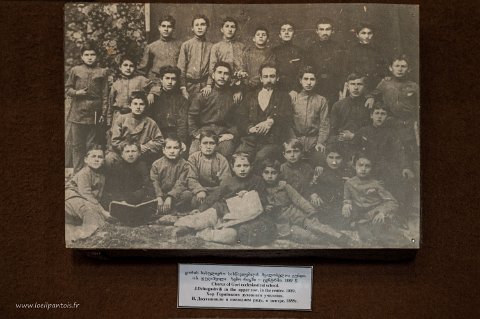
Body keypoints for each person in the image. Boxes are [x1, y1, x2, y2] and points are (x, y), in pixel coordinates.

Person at [174, 152, 267, 244]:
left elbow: (262, 201)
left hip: (239, 219)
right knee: (203, 219)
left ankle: (202, 233)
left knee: (231, 237)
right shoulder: (229, 181)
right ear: (233, 168)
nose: (242, 169)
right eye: (238, 166)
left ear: (251, 166)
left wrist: (249, 195)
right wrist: (201, 209)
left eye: (245, 165)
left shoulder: (258, 181)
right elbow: (215, 196)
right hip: (221, 211)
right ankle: (188, 227)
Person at [261, 159, 349, 245]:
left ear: (278, 173)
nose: (270, 176)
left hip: (297, 215)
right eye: (266, 172)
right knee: (306, 236)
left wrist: (311, 211)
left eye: (273, 173)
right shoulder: (260, 189)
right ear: (262, 173)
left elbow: (298, 199)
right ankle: (324, 240)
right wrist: (265, 208)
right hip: (282, 224)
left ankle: (340, 237)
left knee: (316, 227)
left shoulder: (284, 186)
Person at [365, 54, 420, 171]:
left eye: (403, 66)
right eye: (397, 66)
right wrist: (371, 97)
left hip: (408, 125)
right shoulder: (385, 83)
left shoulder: (414, 86)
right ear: (391, 68)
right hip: (390, 124)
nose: (400, 69)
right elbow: (373, 93)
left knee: (408, 153)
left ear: (408, 69)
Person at [353, 103, 414, 206]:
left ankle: (397, 210)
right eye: (377, 113)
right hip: (367, 167)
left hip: (386, 167)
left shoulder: (391, 133)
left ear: (386, 117)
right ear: (371, 115)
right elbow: (353, 147)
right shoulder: (363, 131)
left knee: (398, 180)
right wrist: (356, 160)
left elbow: (399, 151)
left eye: (383, 114)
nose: (379, 116)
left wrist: (405, 167)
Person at [236, 62, 293, 165]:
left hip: (272, 142)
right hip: (250, 140)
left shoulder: (283, 96)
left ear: (277, 78)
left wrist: (271, 121)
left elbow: (287, 117)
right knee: (239, 159)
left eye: (272, 76)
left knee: (260, 158)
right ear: (261, 79)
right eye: (265, 77)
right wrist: (250, 128)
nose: (269, 80)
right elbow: (240, 117)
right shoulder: (251, 96)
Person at [65, 42, 108, 173]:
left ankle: (89, 173)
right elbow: (68, 88)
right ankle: (78, 173)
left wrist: (103, 113)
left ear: (97, 56)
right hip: (77, 112)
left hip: (94, 112)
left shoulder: (102, 72)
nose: (90, 57)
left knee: (92, 145)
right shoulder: (75, 70)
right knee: (77, 145)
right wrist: (77, 93)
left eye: (93, 54)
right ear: (82, 57)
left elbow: (105, 95)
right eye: (87, 55)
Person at [342, 154, 404, 245]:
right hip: (361, 215)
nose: (363, 169)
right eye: (360, 165)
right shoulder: (349, 183)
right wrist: (346, 204)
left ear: (371, 168)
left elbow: (392, 202)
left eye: (367, 166)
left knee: (384, 236)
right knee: (366, 237)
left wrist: (382, 212)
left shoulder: (376, 183)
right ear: (354, 166)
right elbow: (347, 197)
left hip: (376, 213)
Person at [188, 62, 239, 158]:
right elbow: (192, 116)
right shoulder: (203, 95)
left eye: (226, 73)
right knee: (194, 155)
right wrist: (196, 134)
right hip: (203, 133)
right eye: (219, 72)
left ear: (229, 77)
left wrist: (232, 134)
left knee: (224, 155)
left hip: (223, 135)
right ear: (213, 75)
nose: (222, 76)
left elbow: (238, 120)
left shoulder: (233, 97)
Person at [65, 145, 112, 243]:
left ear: (103, 161)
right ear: (86, 159)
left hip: (84, 200)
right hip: (72, 197)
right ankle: (86, 233)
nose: (96, 160)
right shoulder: (84, 173)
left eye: (100, 157)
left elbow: (97, 196)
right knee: (88, 209)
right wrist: (102, 211)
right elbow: (85, 193)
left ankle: (92, 228)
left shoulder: (101, 175)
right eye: (93, 156)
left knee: (94, 211)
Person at [106, 91, 163, 167]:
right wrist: (129, 148)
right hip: (122, 153)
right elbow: (115, 141)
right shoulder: (121, 119)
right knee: (110, 158)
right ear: (130, 105)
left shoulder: (151, 123)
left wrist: (145, 147)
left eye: (141, 104)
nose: (138, 107)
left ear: (145, 106)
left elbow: (159, 141)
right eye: (135, 104)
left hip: (141, 156)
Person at [291, 66, 330, 165]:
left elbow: (324, 124)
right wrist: (293, 140)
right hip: (296, 141)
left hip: (314, 142)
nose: (309, 82)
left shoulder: (321, 100)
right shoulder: (293, 99)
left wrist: (320, 142)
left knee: (319, 162)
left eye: (312, 79)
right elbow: (288, 123)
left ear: (316, 81)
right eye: (306, 79)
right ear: (300, 80)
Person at [328, 73, 371, 161]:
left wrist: (354, 136)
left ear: (364, 87)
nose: (355, 88)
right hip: (342, 146)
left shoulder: (369, 105)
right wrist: (339, 138)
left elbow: (371, 131)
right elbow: (332, 131)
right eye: (352, 84)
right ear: (347, 86)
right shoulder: (338, 105)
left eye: (359, 84)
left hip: (363, 147)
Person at [310, 145, 354, 227]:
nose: (334, 162)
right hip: (326, 206)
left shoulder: (349, 173)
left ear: (343, 159)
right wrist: (314, 194)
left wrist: (348, 202)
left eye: (338, 158)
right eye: (331, 157)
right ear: (326, 158)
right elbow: (313, 186)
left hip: (342, 205)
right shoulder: (321, 171)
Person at [205, 17, 246, 103]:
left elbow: (245, 68)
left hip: (237, 87)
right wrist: (209, 85)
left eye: (232, 27)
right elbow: (212, 68)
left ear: (236, 29)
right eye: (227, 26)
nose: (230, 29)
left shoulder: (242, 47)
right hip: (221, 85)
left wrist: (239, 90)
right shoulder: (216, 47)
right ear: (222, 29)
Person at [146, 65, 189, 147]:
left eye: (173, 79)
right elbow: (148, 121)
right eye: (167, 78)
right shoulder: (153, 98)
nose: (170, 82)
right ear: (161, 80)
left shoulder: (182, 100)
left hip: (174, 136)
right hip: (155, 135)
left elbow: (182, 123)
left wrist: (182, 141)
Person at [187, 130, 232, 208]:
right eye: (205, 143)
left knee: (224, 199)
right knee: (189, 198)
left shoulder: (221, 159)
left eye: (212, 143)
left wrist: (217, 194)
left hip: (216, 191)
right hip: (199, 190)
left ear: (216, 146)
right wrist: (199, 190)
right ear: (200, 145)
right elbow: (191, 178)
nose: (208, 146)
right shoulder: (193, 158)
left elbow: (225, 181)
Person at [306, 17, 345, 107]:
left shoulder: (339, 47)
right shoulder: (311, 49)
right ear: (317, 31)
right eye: (321, 29)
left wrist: (341, 89)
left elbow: (343, 69)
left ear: (332, 31)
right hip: (316, 87)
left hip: (334, 87)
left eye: (327, 29)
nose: (324, 33)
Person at [102, 141, 155, 206]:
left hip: (139, 200)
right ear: (122, 154)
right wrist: (122, 201)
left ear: (139, 153)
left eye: (133, 151)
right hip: (122, 201)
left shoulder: (143, 166)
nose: (130, 154)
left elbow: (148, 186)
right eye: (127, 151)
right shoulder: (116, 167)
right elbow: (114, 188)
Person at [107, 55, 155, 126]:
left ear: (135, 68)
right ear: (120, 67)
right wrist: (109, 121)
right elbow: (110, 103)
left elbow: (156, 85)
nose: (128, 68)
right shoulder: (116, 83)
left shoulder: (141, 80)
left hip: (136, 117)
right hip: (119, 116)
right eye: (125, 65)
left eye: (131, 66)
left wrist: (152, 93)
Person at [150, 138, 193, 214]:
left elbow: (181, 183)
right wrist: (159, 197)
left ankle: (171, 209)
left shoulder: (184, 165)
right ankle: (160, 208)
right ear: (163, 150)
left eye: (176, 148)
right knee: (148, 195)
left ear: (180, 150)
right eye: (169, 148)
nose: (172, 151)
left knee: (187, 195)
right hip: (160, 194)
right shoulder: (156, 164)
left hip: (175, 195)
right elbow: (154, 181)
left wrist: (170, 196)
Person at [177, 14, 213, 98]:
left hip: (205, 87)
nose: (199, 27)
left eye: (202, 24)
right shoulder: (186, 45)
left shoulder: (211, 46)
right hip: (188, 87)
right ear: (192, 28)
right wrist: (183, 88)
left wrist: (209, 85)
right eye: (197, 25)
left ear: (207, 27)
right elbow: (181, 68)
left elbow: (212, 68)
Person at [138, 15, 182, 80]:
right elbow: (142, 69)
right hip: (156, 81)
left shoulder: (180, 45)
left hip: (173, 81)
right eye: (163, 26)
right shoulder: (151, 47)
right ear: (159, 27)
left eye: (169, 26)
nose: (166, 29)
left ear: (173, 29)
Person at [344, 22, 385, 91]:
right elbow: (347, 70)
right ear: (357, 35)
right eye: (363, 33)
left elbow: (383, 68)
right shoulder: (352, 51)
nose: (366, 36)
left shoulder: (378, 50)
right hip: (357, 86)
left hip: (375, 85)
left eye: (369, 33)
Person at [271, 22, 305, 98]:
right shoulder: (273, 51)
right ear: (279, 35)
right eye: (283, 30)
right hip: (277, 89)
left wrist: (295, 89)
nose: (286, 32)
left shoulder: (300, 51)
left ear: (294, 34)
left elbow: (302, 71)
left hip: (295, 91)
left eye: (289, 30)